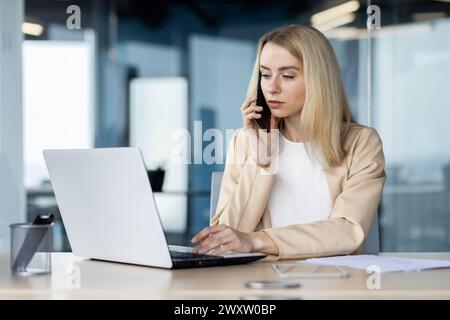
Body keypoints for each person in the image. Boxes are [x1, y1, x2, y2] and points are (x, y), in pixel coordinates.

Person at [191, 24, 386, 260]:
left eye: (288, 76)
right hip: (262, 284)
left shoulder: (361, 143)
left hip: (337, 282)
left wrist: (256, 240)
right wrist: (261, 162)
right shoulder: (244, 141)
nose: (272, 88)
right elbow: (225, 239)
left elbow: (348, 231)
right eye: (265, 74)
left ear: (319, 81)